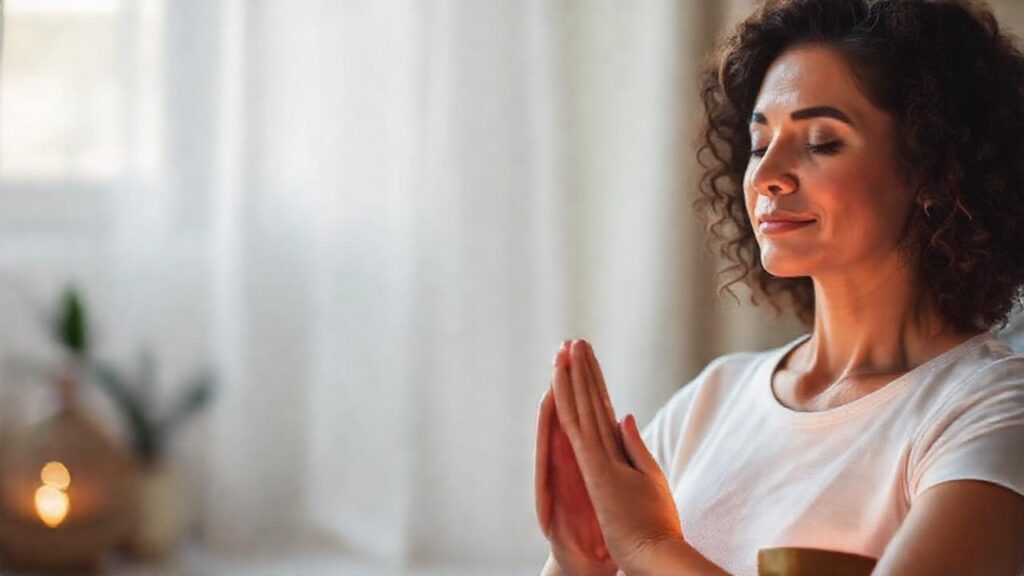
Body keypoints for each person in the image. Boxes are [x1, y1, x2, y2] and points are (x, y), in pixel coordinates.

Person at [534, 0, 1024, 574]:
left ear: (934, 169)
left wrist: (646, 543)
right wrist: (580, 562)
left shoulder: (991, 409)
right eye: (759, 144)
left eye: (820, 142)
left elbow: (643, 542)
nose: (766, 176)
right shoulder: (711, 400)